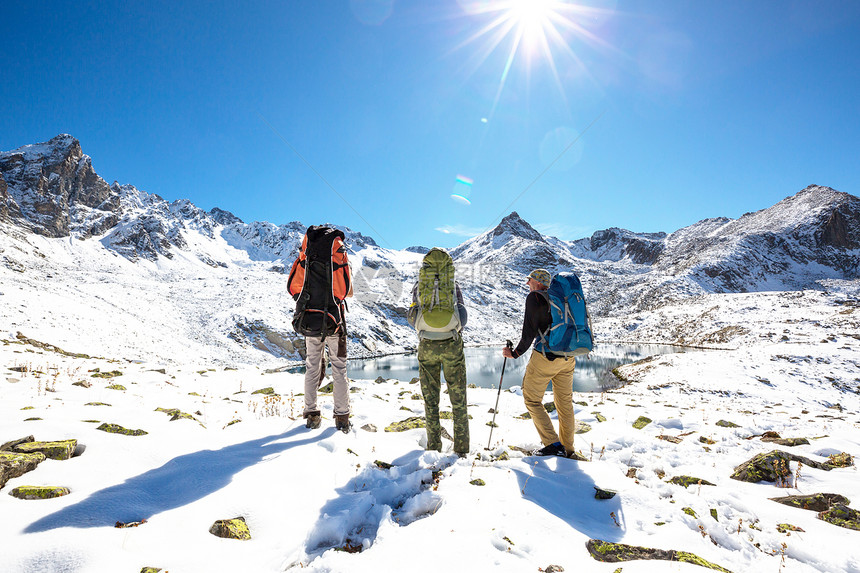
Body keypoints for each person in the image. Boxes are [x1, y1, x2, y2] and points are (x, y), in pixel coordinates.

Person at [502, 269, 576, 457]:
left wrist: (515, 353)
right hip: (568, 357)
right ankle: (568, 449)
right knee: (565, 403)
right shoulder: (561, 299)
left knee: (532, 399)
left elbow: (529, 332)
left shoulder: (535, 298)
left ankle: (552, 444)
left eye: (530, 281)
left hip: (545, 356)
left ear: (537, 282)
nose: (528, 284)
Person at [287, 225, 354, 432]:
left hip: (310, 318)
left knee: (312, 366)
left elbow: (293, 287)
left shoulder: (306, 257)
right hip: (334, 322)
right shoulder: (338, 259)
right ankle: (342, 418)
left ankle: (311, 414)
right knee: (339, 369)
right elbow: (346, 292)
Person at [407, 248, 470, 456]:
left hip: (427, 345)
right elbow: (463, 314)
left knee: (430, 399)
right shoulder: (453, 284)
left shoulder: (419, 285)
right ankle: (461, 449)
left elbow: (411, 315)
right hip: (451, 343)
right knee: (458, 399)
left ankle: (433, 447)